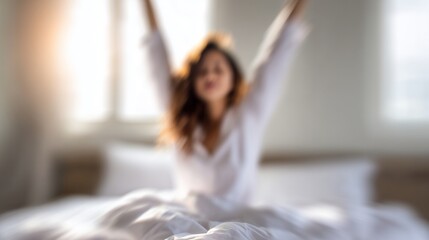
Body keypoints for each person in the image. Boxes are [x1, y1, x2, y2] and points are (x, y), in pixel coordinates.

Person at [141, 0, 308, 205]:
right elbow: (156, 55)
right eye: (202, 71)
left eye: (218, 70)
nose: (210, 76)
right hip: (187, 225)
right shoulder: (180, 118)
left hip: (238, 224)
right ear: (193, 82)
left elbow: (277, 53)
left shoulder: (249, 114)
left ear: (233, 80)